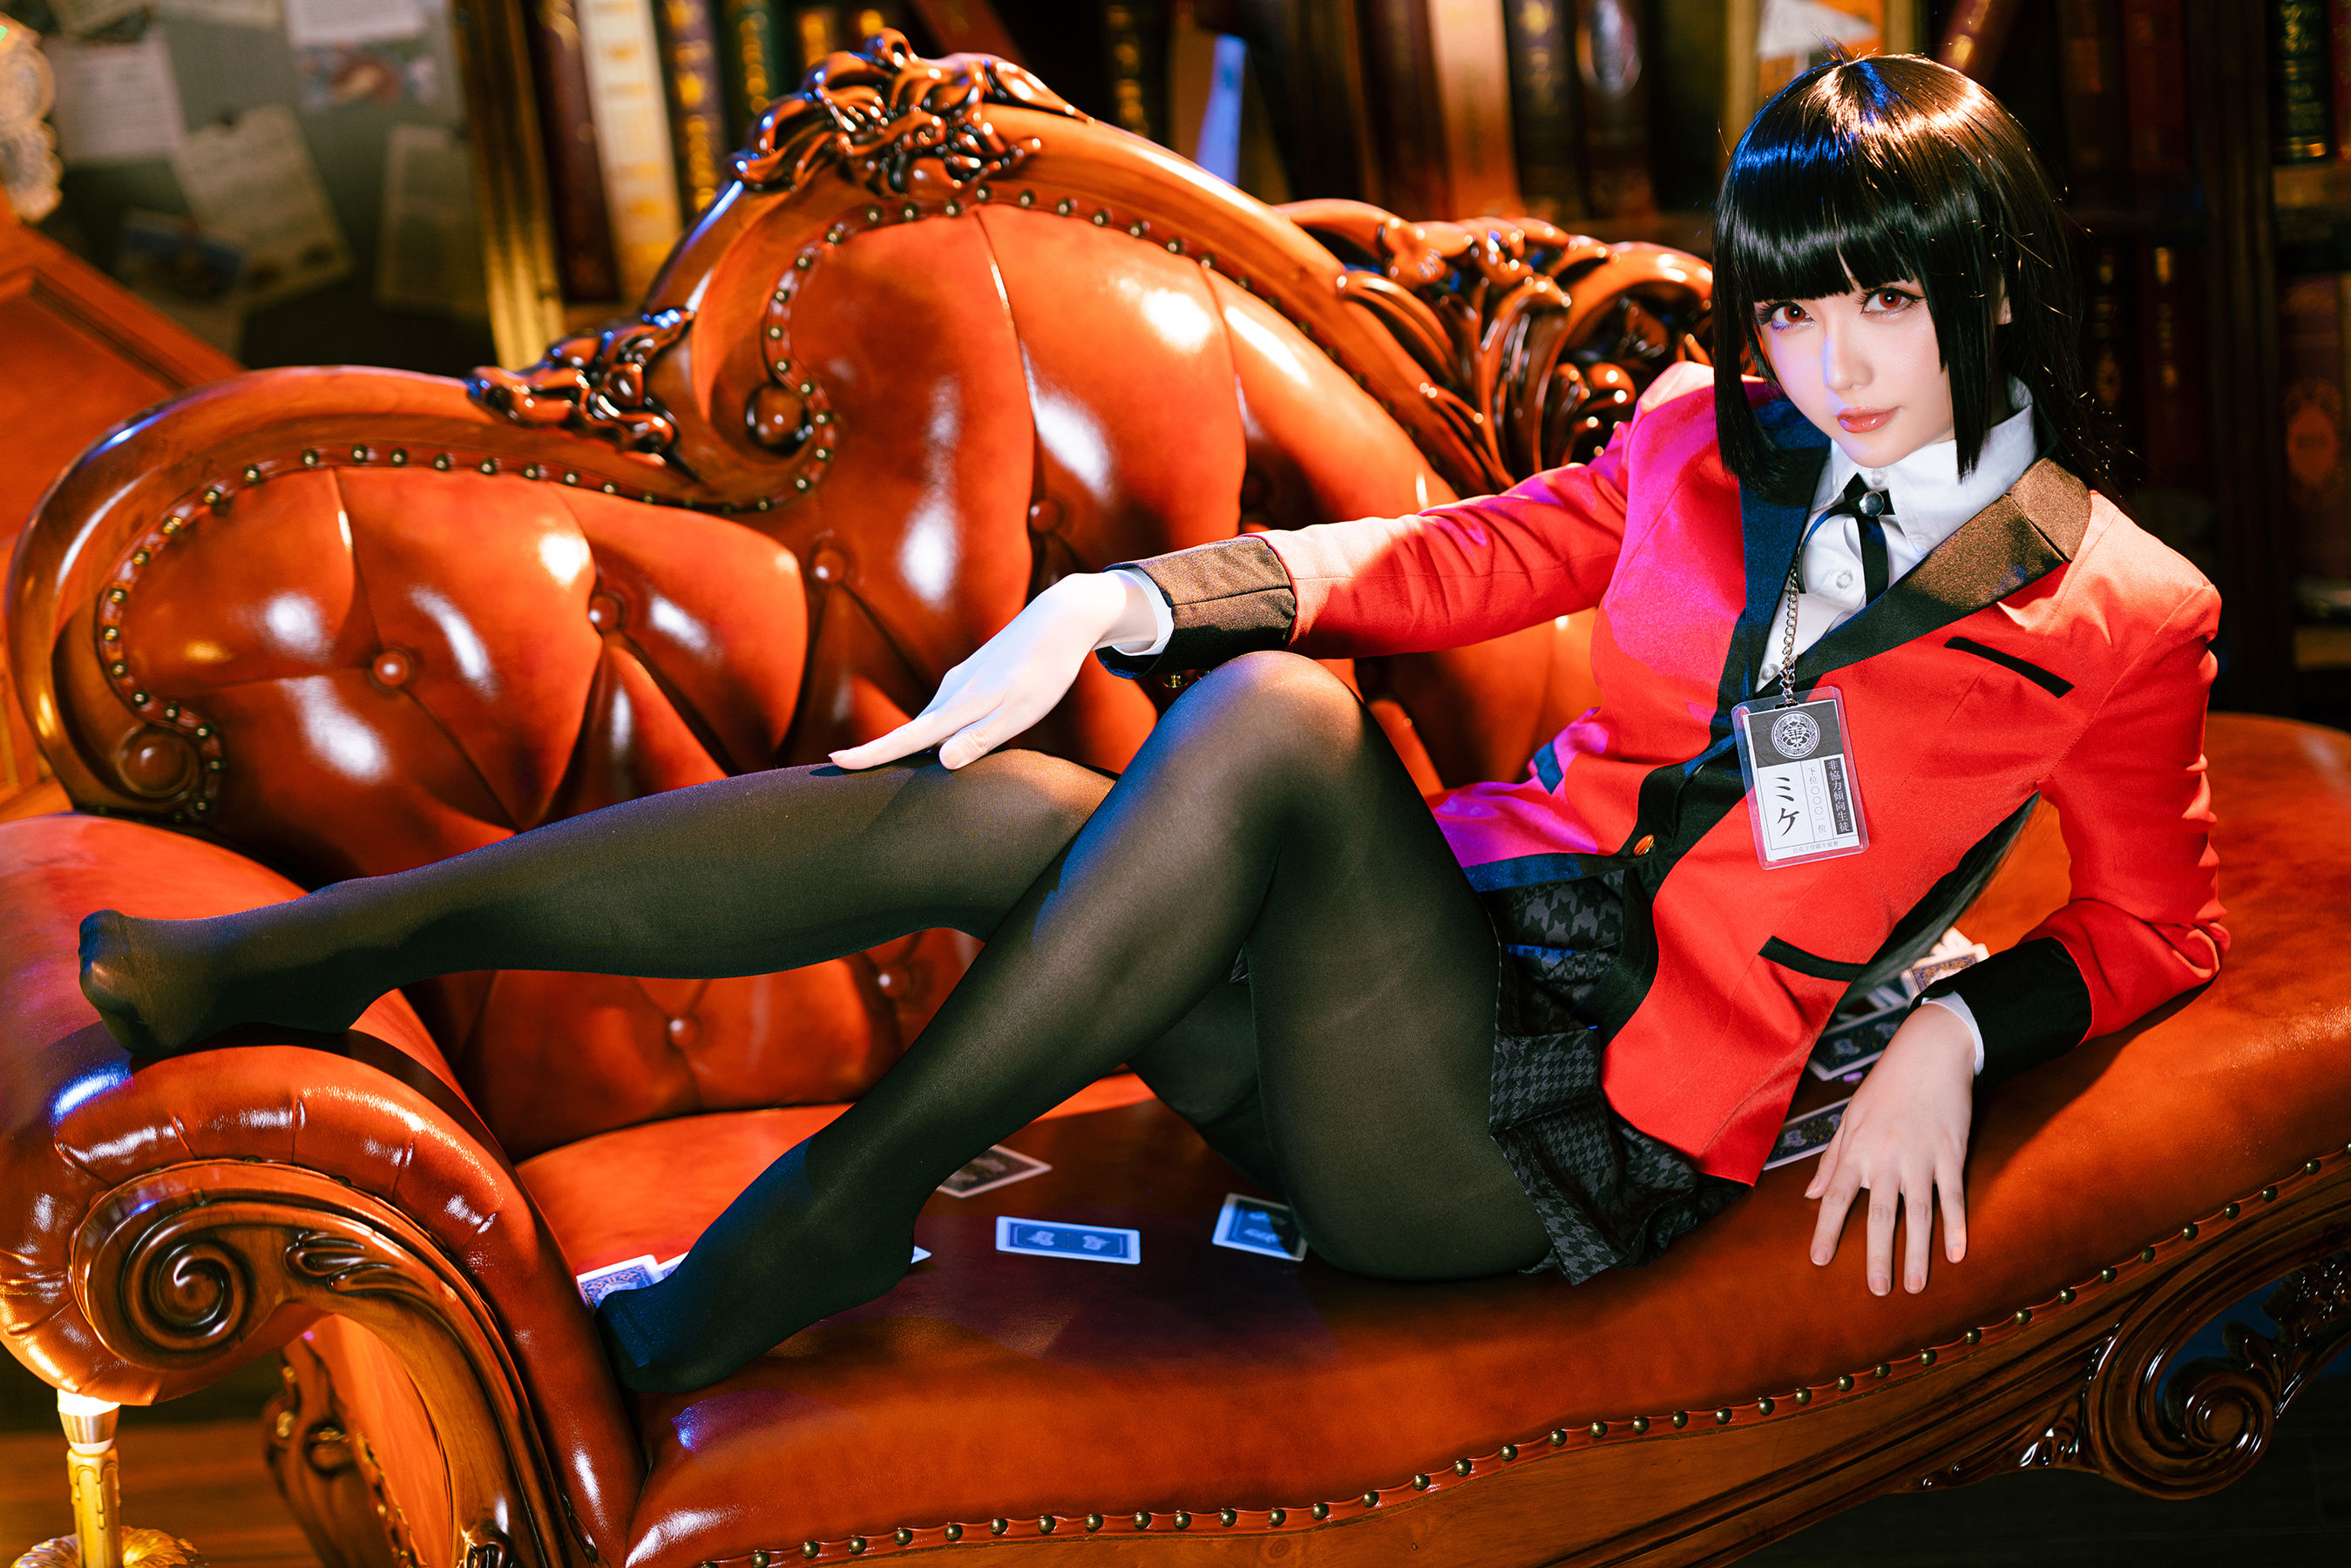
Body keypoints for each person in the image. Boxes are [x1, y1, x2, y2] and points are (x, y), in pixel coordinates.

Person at [76, 54, 2225, 1395]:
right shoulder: (1692, 435)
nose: (1830, 367)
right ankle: (329, 947)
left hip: (1557, 1148)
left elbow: (2154, 930)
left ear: (1992, 286)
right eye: (1789, 308)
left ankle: (828, 1208)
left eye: (1882, 304)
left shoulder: (2116, 606)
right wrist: (1113, 601)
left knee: (1278, 725)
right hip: (1427, 986)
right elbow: (1452, 557)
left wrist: (1956, 1033)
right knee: (1009, 805)